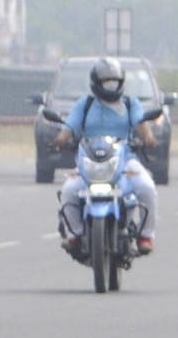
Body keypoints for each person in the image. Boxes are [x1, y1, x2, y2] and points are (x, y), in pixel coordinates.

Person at [55, 56, 159, 256]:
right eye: (106, 82)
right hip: (89, 162)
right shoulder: (84, 105)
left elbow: (141, 124)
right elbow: (69, 128)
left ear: (121, 83)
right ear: (96, 83)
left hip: (125, 161)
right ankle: (74, 234)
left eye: (114, 82)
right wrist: (60, 140)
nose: (110, 87)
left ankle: (145, 236)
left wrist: (148, 138)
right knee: (68, 190)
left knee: (147, 187)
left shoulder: (130, 104)